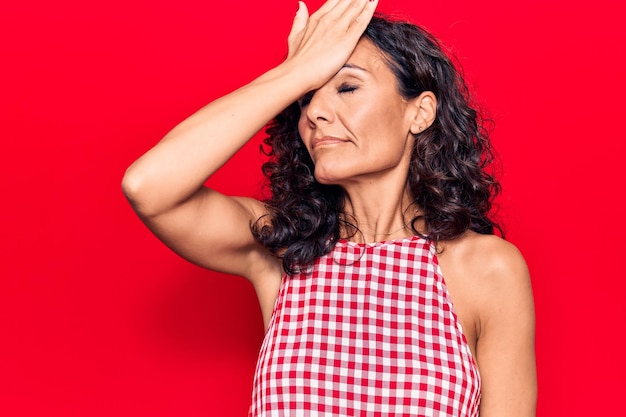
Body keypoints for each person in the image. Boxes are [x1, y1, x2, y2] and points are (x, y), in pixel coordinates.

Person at [122, 0, 536, 415]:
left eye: (347, 87)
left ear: (420, 112)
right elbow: (149, 186)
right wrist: (293, 72)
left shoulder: (488, 269)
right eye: (305, 100)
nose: (316, 113)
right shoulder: (282, 250)